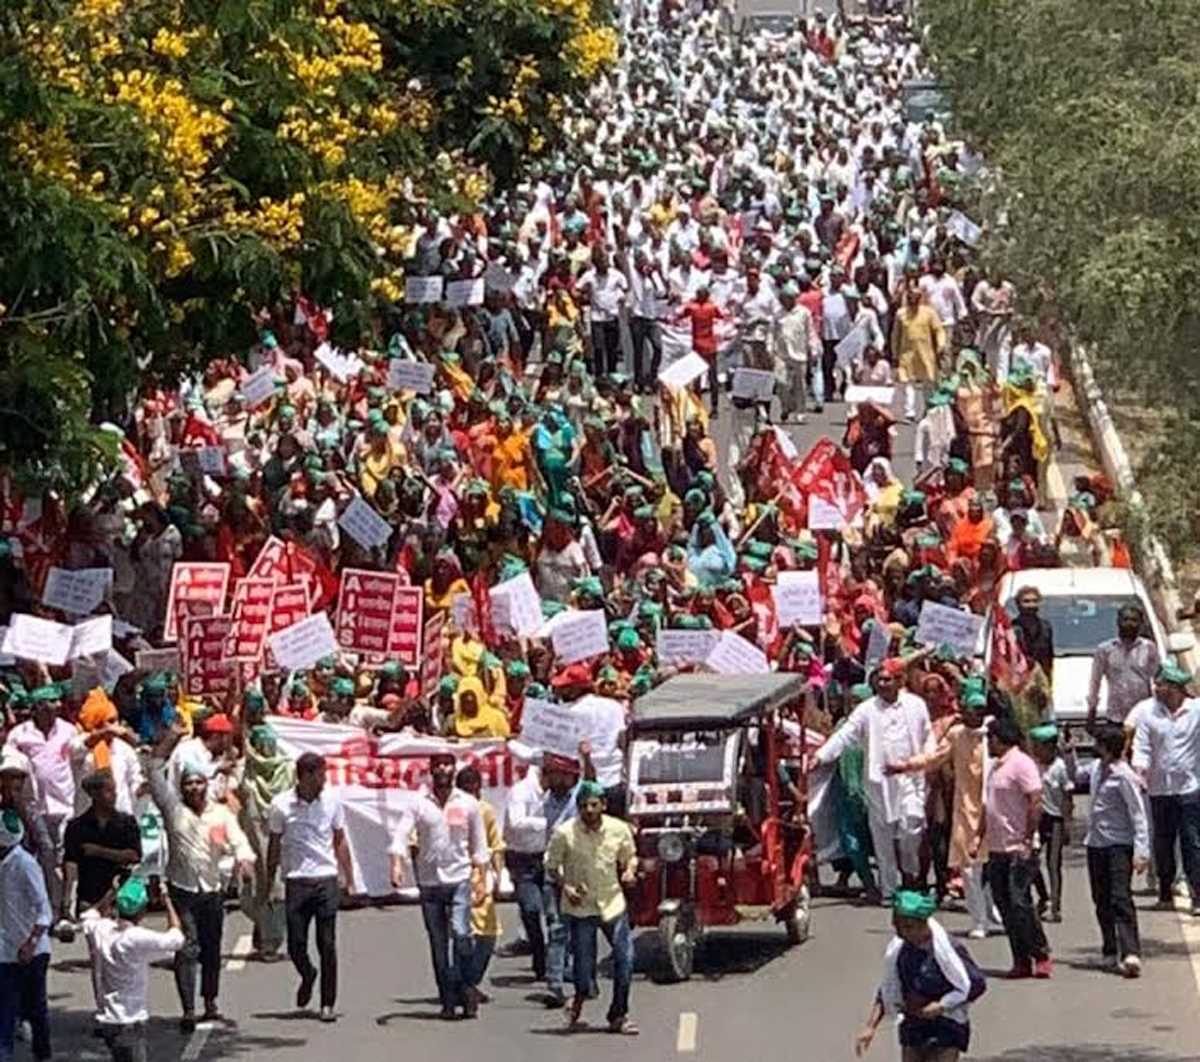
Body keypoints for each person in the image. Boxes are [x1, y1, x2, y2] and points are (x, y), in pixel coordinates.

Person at [148, 749, 255, 1029]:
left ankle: (210, 1002)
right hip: (182, 889)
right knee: (186, 948)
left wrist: (244, 860)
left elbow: (238, 840)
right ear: (182, 787)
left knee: (211, 949)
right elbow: (155, 776)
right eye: (188, 783)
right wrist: (164, 745)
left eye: (198, 782)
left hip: (212, 890)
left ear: (206, 785)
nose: (194, 788)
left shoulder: (219, 813)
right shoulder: (173, 809)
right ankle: (188, 1009)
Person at [814, 660, 933, 900]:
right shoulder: (867, 709)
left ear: (900, 681)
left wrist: (926, 759)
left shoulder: (916, 705)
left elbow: (928, 736)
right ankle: (889, 890)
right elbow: (845, 735)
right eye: (879, 679)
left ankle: (910, 874)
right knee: (883, 839)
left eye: (888, 679)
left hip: (910, 779)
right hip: (879, 783)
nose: (882, 683)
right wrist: (821, 756)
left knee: (912, 826)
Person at [887, 690, 998, 938]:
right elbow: (934, 758)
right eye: (971, 710)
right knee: (968, 868)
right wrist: (905, 766)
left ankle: (992, 914)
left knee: (991, 868)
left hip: (994, 810)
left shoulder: (994, 735)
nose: (975, 715)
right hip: (966, 810)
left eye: (980, 710)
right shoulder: (957, 736)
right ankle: (979, 920)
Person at [389, 751, 489, 1020]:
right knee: (438, 944)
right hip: (430, 882)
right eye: (438, 766)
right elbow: (401, 834)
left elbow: (479, 845)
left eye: (448, 765)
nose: (443, 769)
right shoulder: (418, 803)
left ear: (454, 769)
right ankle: (447, 998)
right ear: (431, 770)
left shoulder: (468, 803)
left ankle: (467, 987)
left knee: (461, 933)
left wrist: (481, 878)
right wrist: (397, 864)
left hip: (459, 878)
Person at [267, 752, 356, 1023]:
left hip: (325, 879)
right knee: (296, 943)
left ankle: (327, 1002)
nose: (324, 780)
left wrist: (348, 878)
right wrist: (270, 881)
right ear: (306, 776)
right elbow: (274, 844)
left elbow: (340, 839)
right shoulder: (282, 805)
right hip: (296, 880)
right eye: (320, 775)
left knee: (327, 943)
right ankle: (307, 974)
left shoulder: (332, 802)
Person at [544, 780, 638, 1035]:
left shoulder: (618, 830)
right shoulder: (565, 833)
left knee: (625, 959)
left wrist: (629, 871)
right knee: (583, 971)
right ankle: (578, 999)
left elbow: (630, 856)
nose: (589, 810)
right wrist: (567, 887)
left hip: (612, 903)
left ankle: (618, 1014)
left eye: (594, 805)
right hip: (581, 908)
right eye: (584, 805)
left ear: (604, 806)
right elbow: (551, 866)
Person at [854, 891, 982, 1062]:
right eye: (897, 926)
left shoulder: (949, 951)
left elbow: (975, 985)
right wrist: (870, 1027)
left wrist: (942, 1005)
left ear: (922, 925)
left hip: (946, 1026)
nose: (900, 933)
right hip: (913, 1025)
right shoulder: (900, 951)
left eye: (906, 927)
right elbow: (887, 989)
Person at [81, 878, 186, 1062]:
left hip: (108, 1018)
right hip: (129, 1020)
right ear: (142, 911)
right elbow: (176, 938)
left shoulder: (101, 930)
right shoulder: (136, 938)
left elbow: (89, 915)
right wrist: (167, 901)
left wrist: (111, 893)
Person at [978, 717, 1051, 979]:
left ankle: (1040, 953)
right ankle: (1020, 959)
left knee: (1020, 902)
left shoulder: (1021, 764)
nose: (988, 743)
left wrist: (1028, 839)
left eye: (990, 738)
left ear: (1000, 739)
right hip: (998, 848)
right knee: (1005, 906)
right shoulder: (996, 767)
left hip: (1019, 848)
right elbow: (991, 808)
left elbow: (1035, 802)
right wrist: (981, 837)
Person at [1131, 663, 1200, 915]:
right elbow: (1142, 746)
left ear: (1175, 688)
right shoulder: (1149, 713)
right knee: (1163, 842)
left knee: (1192, 843)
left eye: (1161, 684)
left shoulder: (1196, 711)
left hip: (1190, 788)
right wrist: (1140, 770)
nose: (1156, 688)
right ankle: (1164, 891)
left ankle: (1197, 895)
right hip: (1160, 790)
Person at [4, 684, 76, 915]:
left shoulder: (68, 731)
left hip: (65, 804)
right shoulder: (20, 735)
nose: (56, 706)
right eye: (50, 702)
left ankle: (66, 908)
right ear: (37, 707)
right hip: (35, 806)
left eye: (57, 701)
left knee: (66, 859)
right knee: (45, 857)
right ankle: (48, 909)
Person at [1084, 725, 1149, 977]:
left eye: (1099, 744)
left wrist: (1141, 851)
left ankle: (1130, 951)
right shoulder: (1096, 770)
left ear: (1108, 747)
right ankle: (1110, 949)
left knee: (1120, 897)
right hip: (1096, 843)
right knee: (1100, 899)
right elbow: (1074, 773)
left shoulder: (1124, 776)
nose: (1095, 748)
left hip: (1118, 844)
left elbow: (1138, 814)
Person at [238, 724, 294, 962]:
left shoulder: (288, 768)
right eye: (262, 746)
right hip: (253, 838)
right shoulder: (247, 770)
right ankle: (262, 934)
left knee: (276, 889)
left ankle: (270, 943)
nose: (267, 750)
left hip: (279, 837)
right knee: (254, 889)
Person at [0, 809, 52, 1062]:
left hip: (32, 952)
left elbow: (44, 911)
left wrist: (30, 943)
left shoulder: (25, 865)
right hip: (4, 951)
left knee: (36, 1010)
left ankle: (43, 1055)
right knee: (5, 1010)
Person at [62, 769, 143, 923]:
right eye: (108, 791)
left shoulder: (126, 823)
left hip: (120, 895)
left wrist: (99, 851)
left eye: (114, 791)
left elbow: (134, 855)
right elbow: (71, 863)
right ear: (94, 794)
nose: (114, 795)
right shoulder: (76, 827)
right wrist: (67, 901)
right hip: (89, 894)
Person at [456, 765, 504, 1005]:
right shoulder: (452, 812)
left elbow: (495, 845)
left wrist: (497, 876)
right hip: (458, 878)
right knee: (462, 934)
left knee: (488, 935)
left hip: (481, 879)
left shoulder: (485, 811)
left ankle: (470, 982)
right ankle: (463, 985)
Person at [1087, 604, 1160, 730]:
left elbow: (1158, 680)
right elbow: (1095, 682)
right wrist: (1092, 711)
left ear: (1141, 623)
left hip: (1142, 717)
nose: (1129, 624)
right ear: (1118, 622)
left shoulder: (1149, 648)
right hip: (1116, 718)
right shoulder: (1105, 650)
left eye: (1134, 620)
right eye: (1126, 619)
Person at [1028, 725, 1072, 924]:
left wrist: (1067, 824)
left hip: (1054, 819)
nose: (1036, 751)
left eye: (1039, 747)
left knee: (1053, 864)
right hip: (1037, 819)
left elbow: (1066, 796)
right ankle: (1043, 896)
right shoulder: (1032, 766)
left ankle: (1056, 906)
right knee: (1031, 861)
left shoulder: (1060, 767)